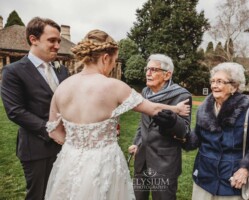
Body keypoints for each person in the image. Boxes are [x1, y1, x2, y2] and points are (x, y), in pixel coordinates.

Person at [44, 30, 190, 200]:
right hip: (103, 162)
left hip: (70, 160)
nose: (112, 65)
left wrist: (77, 145)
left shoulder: (62, 87)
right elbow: (153, 109)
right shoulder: (114, 86)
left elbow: (53, 131)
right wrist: (177, 109)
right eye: (114, 61)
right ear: (105, 58)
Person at [180, 62, 249, 199]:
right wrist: (177, 130)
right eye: (212, 81)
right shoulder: (204, 110)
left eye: (220, 81)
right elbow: (195, 139)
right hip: (204, 178)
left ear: (234, 86)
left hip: (231, 182)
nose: (214, 85)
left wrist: (246, 169)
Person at [0, 17, 69, 199]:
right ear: (33, 39)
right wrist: (52, 131)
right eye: (52, 40)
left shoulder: (61, 70)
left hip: (68, 146)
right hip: (37, 147)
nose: (57, 46)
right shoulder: (13, 71)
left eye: (59, 41)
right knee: (40, 195)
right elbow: (15, 111)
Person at [127, 54, 192, 200]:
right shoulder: (145, 92)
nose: (148, 73)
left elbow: (184, 131)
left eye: (154, 69)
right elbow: (142, 123)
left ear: (167, 75)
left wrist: (172, 121)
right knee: (138, 196)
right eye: (147, 69)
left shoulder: (182, 95)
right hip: (142, 157)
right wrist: (136, 142)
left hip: (164, 161)